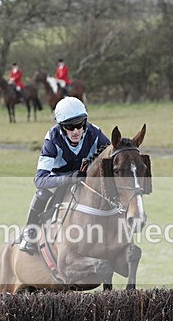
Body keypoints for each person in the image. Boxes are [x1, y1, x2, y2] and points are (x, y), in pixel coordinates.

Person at [17, 96, 109, 254]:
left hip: (85, 177)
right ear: (61, 127)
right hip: (58, 179)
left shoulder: (95, 133)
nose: (76, 131)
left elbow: (111, 155)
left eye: (80, 124)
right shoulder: (53, 139)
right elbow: (39, 180)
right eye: (70, 126)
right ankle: (30, 232)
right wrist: (68, 179)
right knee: (42, 194)